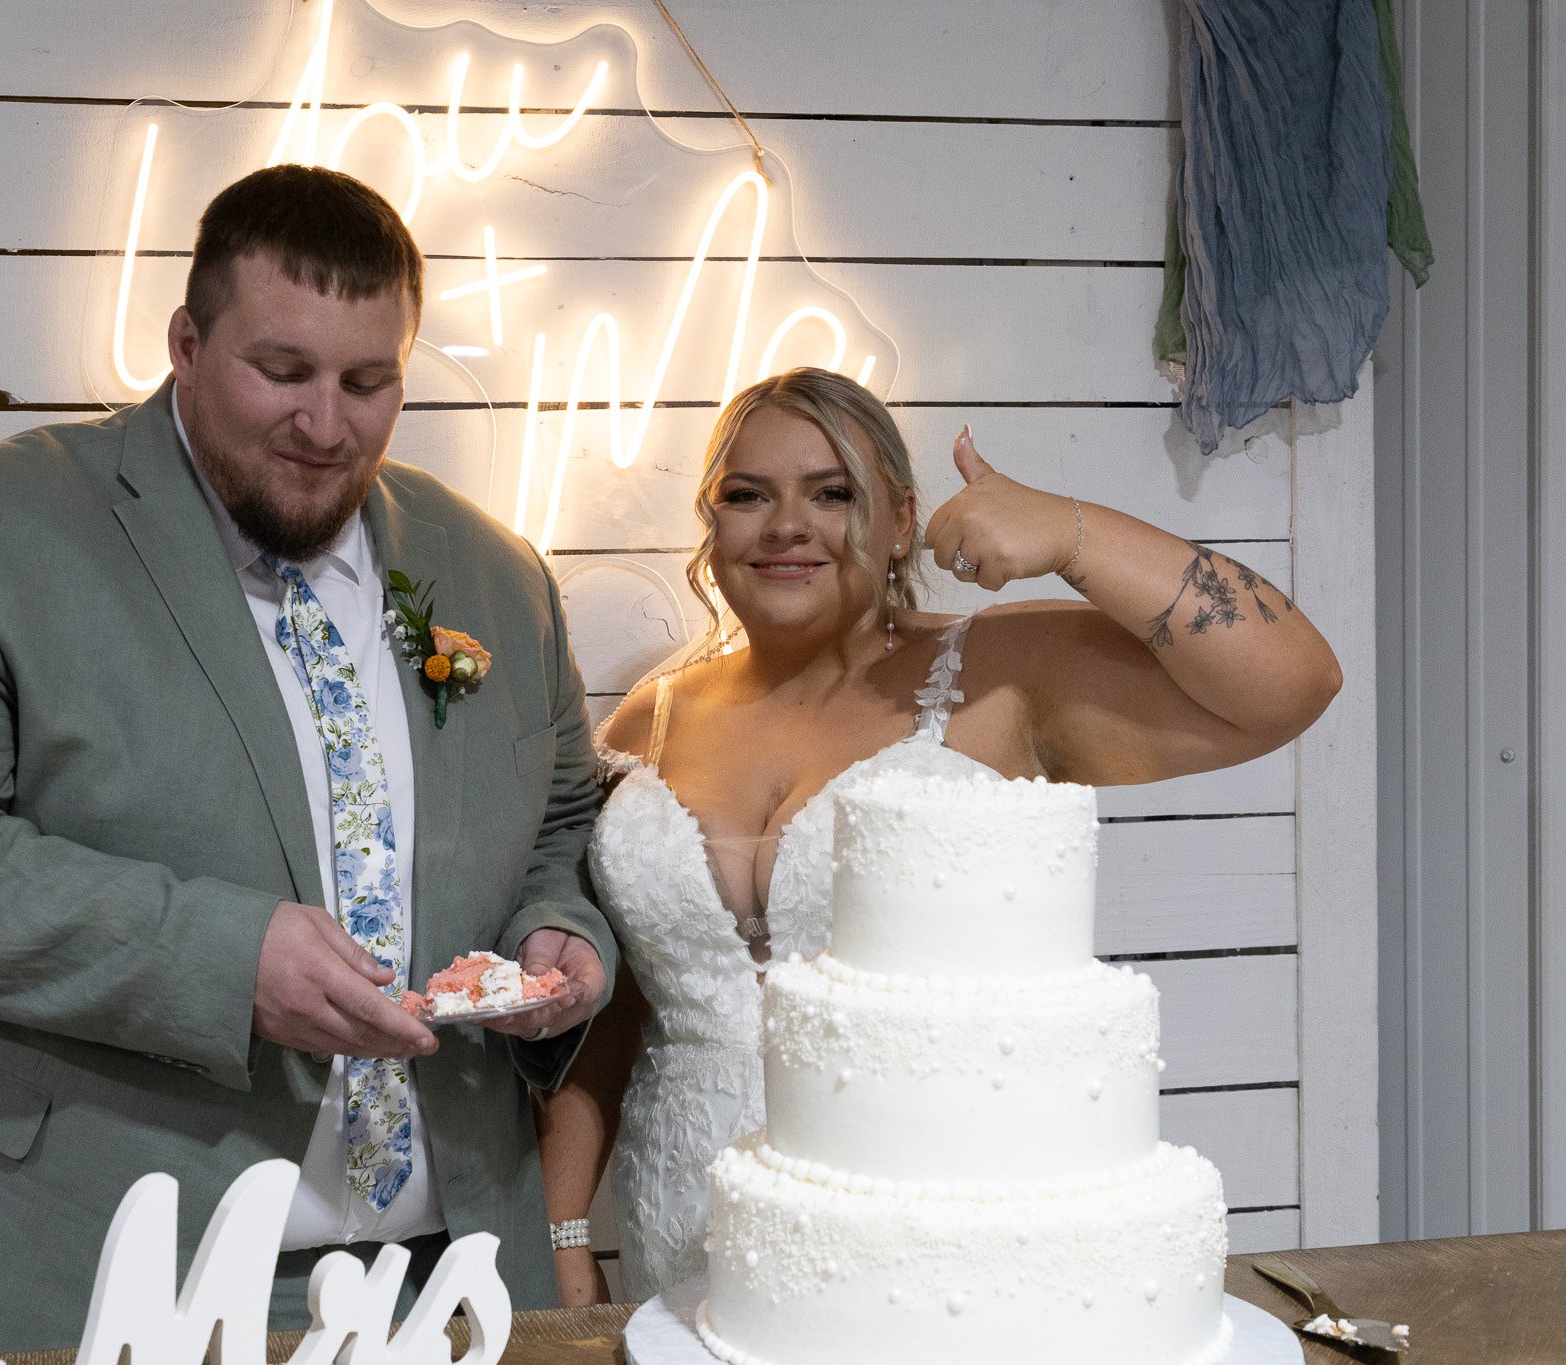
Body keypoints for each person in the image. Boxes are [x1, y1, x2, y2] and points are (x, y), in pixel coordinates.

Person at [0, 164, 617, 1350]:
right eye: (283, 373)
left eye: (369, 382)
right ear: (182, 340)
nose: (327, 425)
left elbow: (559, 820)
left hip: (452, 1278)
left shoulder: (493, 573)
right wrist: (223, 956)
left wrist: (555, 931)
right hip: (79, 1270)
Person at [536, 366, 1342, 1303]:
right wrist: (562, 1229)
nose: (786, 524)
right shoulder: (651, 719)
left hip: (925, 1235)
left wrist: (1072, 533)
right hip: (681, 1228)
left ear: (902, 521)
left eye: (833, 493)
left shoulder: (993, 678)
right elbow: (617, 1004)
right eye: (747, 495)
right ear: (713, 527)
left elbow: (1292, 680)